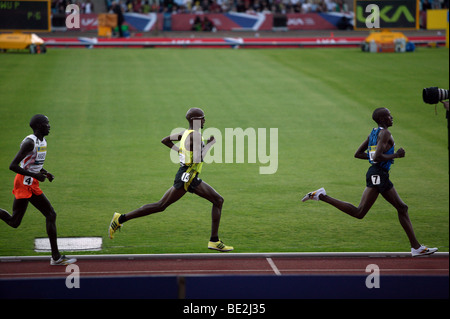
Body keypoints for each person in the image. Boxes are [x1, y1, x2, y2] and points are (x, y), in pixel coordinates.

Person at [302, 107, 438, 257]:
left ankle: (321, 196)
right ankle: (416, 247)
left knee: (360, 212)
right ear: (382, 119)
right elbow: (378, 156)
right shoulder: (385, 133)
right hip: (379, 174)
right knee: (402, 208)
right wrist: (396, 155)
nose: (391, 117)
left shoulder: (373, 133)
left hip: (374, 173)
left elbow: (358, 154)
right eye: (388, 116)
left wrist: (375, 157)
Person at [109, 108, 233, 252]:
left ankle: (120, 219)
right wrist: (211, 144)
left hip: (184, 174)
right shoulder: (196, 136)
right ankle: (214, 240)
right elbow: (199, 158)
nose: (205, 120)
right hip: (189, 176)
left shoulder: (185, 133)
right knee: (218, 200)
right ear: (195, 120)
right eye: (202, 118)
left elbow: (165, 140)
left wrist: (180, 152)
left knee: (160, 205)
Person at [0, 115, 77, 265]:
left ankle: (56, 257)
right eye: (46, 123)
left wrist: (45, 172)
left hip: (32, 183)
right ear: (39, 126)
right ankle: (56, 257)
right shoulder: (29, 143)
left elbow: (33, 163)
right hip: (23, 183)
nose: (49, 126)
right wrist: (34, 174)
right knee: (50, 214)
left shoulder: (43, 141)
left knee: (15, 222)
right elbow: (13, 166)